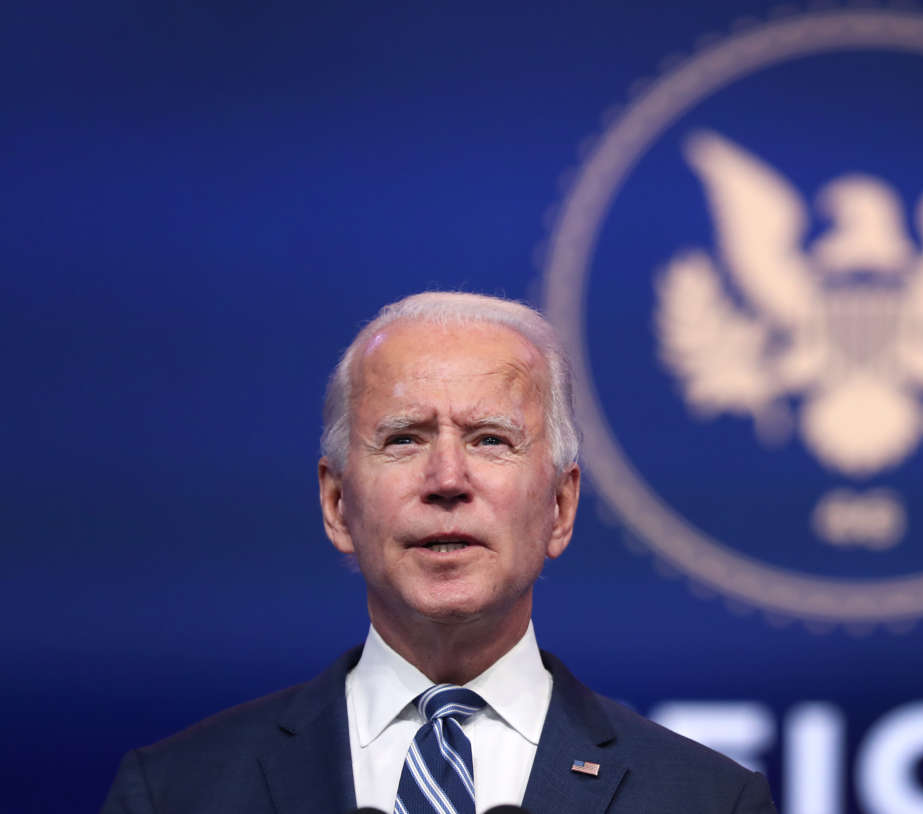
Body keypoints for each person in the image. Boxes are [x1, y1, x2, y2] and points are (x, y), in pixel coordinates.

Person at [101, 292, 778, 814]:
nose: (448, 480)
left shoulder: (705, 800)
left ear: (560, 508)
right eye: (404, 439)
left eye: (490, 439)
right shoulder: (175, 792)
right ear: (338, 504)